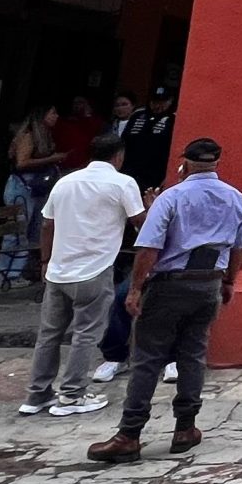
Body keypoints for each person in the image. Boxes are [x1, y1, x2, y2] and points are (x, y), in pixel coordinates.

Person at [88, 136, 242, 463]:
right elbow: (239, 246)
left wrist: (134, 288)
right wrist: (229, 281)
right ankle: (186, 427)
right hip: (208, 285)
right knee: (193, 354)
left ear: (184, 162)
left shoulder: (171, 197)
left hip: (170, 284)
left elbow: (148, 248)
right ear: (216, 163)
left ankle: (130, 433)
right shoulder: (235, 197)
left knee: (147, 356)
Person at [19, 131, 145, 419]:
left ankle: (37, 394)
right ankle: (72, 395)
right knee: (86, 335)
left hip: (59, 270)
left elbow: (47, 225)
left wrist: (45, 260)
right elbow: (142, 223)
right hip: (94, 269)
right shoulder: (123, 183)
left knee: (49, 335)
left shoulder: (65, 182)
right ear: (119, 156)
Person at [0, 102, 64, 286]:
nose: (56, 116)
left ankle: (24, 270)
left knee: (35, 229)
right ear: (43, 115)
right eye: (53, 112)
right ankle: (8, 275)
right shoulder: (28, 135)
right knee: (17, 231)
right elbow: (21, 162)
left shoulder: (45, 135)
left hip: (37, 188)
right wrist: (53, 158)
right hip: (21, 186)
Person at [119, 86, 177, 191]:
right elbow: (123, 141)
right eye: (155, 101)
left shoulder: (172, 120)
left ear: (170, 101)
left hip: (154, 174)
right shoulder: (138, 116)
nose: (158, 105)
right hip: (129, 170)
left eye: (162, 102)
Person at [53, 94, 101, 171]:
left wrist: (87, 116)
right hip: (60, 165)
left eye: (80, 102)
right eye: (75, 103)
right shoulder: (63, 122)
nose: (77, 105)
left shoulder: (96, 122)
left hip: (84, 166)